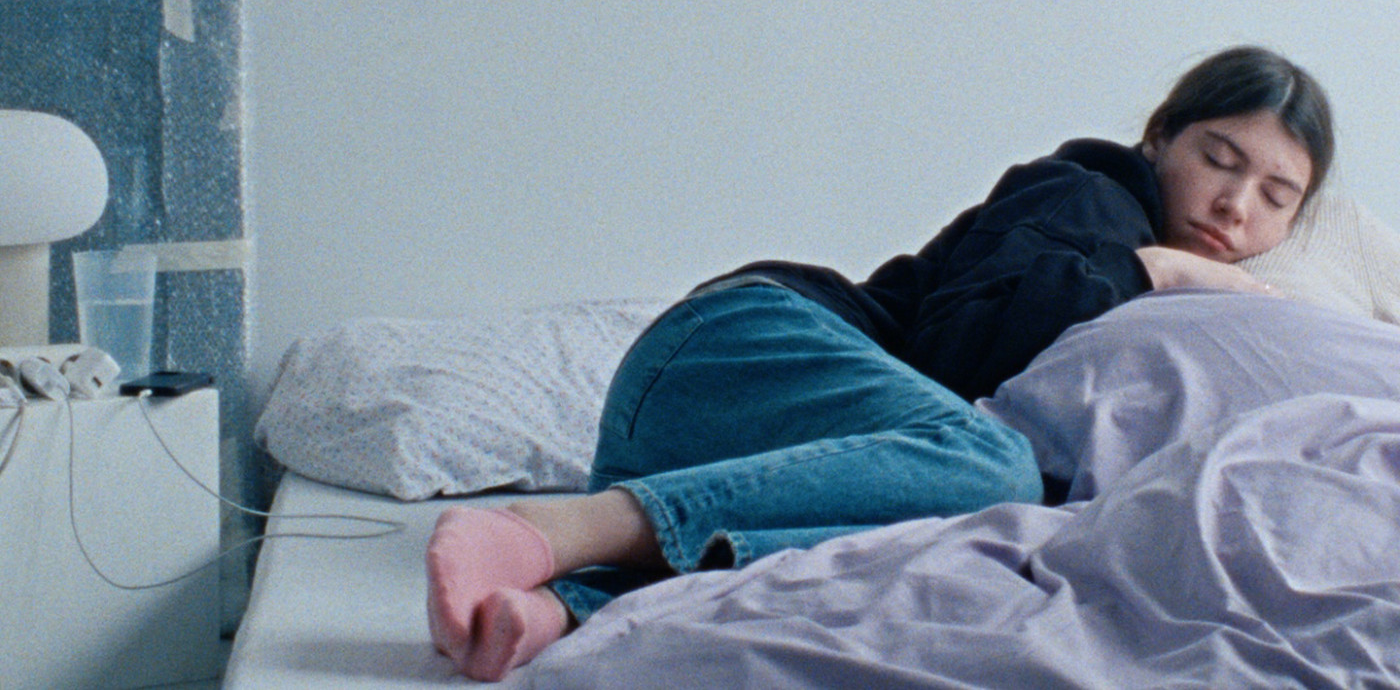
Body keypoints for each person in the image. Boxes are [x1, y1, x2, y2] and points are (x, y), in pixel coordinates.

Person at [425, 45, 1335, 681]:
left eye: (1275, 195)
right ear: (1161, 137)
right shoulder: (1088, 196)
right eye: (1219, 158)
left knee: (956, 544)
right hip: (742, 345)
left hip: (745, 445)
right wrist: (1160, 269)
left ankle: (568, 607)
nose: (1235, 203)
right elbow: (965, 350)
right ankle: (552, 529)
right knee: (999, 469)